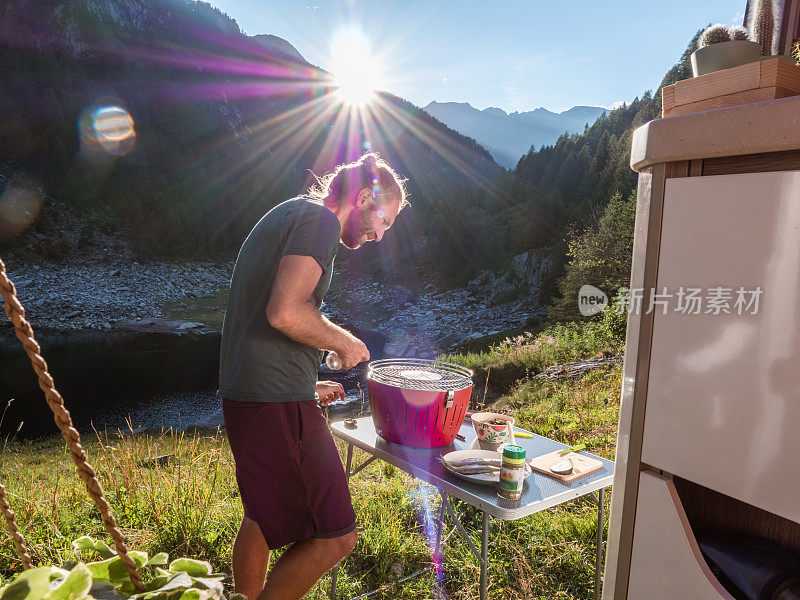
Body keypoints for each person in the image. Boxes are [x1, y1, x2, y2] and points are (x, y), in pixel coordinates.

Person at [218, 152, 407, 600]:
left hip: (254, 393)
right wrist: (345, 344)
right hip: (273, 400)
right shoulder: (319, 222)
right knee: (336, 535)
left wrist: (308, 383)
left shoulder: (293, 214)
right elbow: (285, 312)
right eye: (384, 221)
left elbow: (269, 318)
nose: (380, 235)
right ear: (363, 197)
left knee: (261, 518)